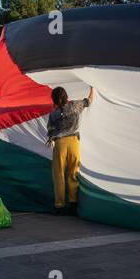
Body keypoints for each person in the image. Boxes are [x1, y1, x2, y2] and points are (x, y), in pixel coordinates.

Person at [46, 85, 94, 214]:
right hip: (74, 142)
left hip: (60, 143)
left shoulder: (53, 114)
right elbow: (89, 101)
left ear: (54, 99)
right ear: (66, 96)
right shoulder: (74, 105)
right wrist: (92, 88)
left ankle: (59, 205)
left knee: (59, 174)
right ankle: (73, 203)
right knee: (73, 172)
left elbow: (50, 131)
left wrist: (52, 137)